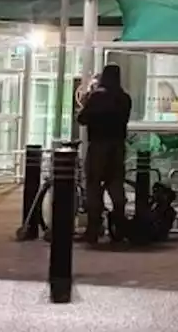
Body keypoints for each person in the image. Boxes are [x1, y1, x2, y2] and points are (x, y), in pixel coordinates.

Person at [76, 63, 132, 243]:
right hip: (117, 147)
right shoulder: (125, 98)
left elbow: (82, 119)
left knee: (94, 185)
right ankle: (120, 226)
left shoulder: (97, 98)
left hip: (99, 146)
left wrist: (87, 101)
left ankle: (94, 227)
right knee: (115, 184)